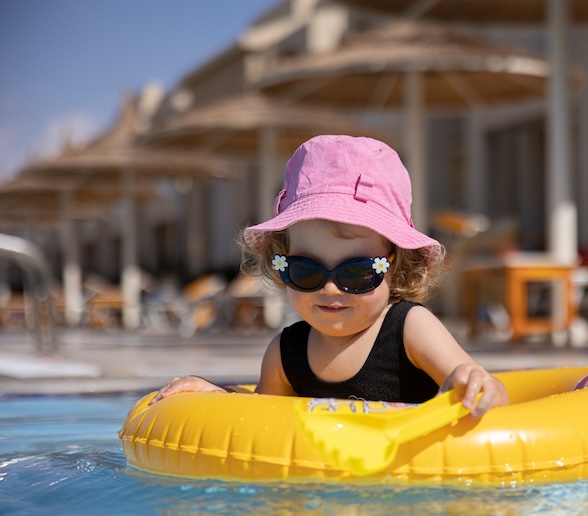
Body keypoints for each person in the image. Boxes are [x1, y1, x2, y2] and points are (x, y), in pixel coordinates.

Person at [151, 135, 508, 417]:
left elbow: (491, 392)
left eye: (357, 272)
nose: (330, 288)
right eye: (306, 271)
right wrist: (217, 396)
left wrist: (476, 383)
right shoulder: (284, 353)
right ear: (282, 261)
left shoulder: (411, 330)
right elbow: (258, 423)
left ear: (395, 263)